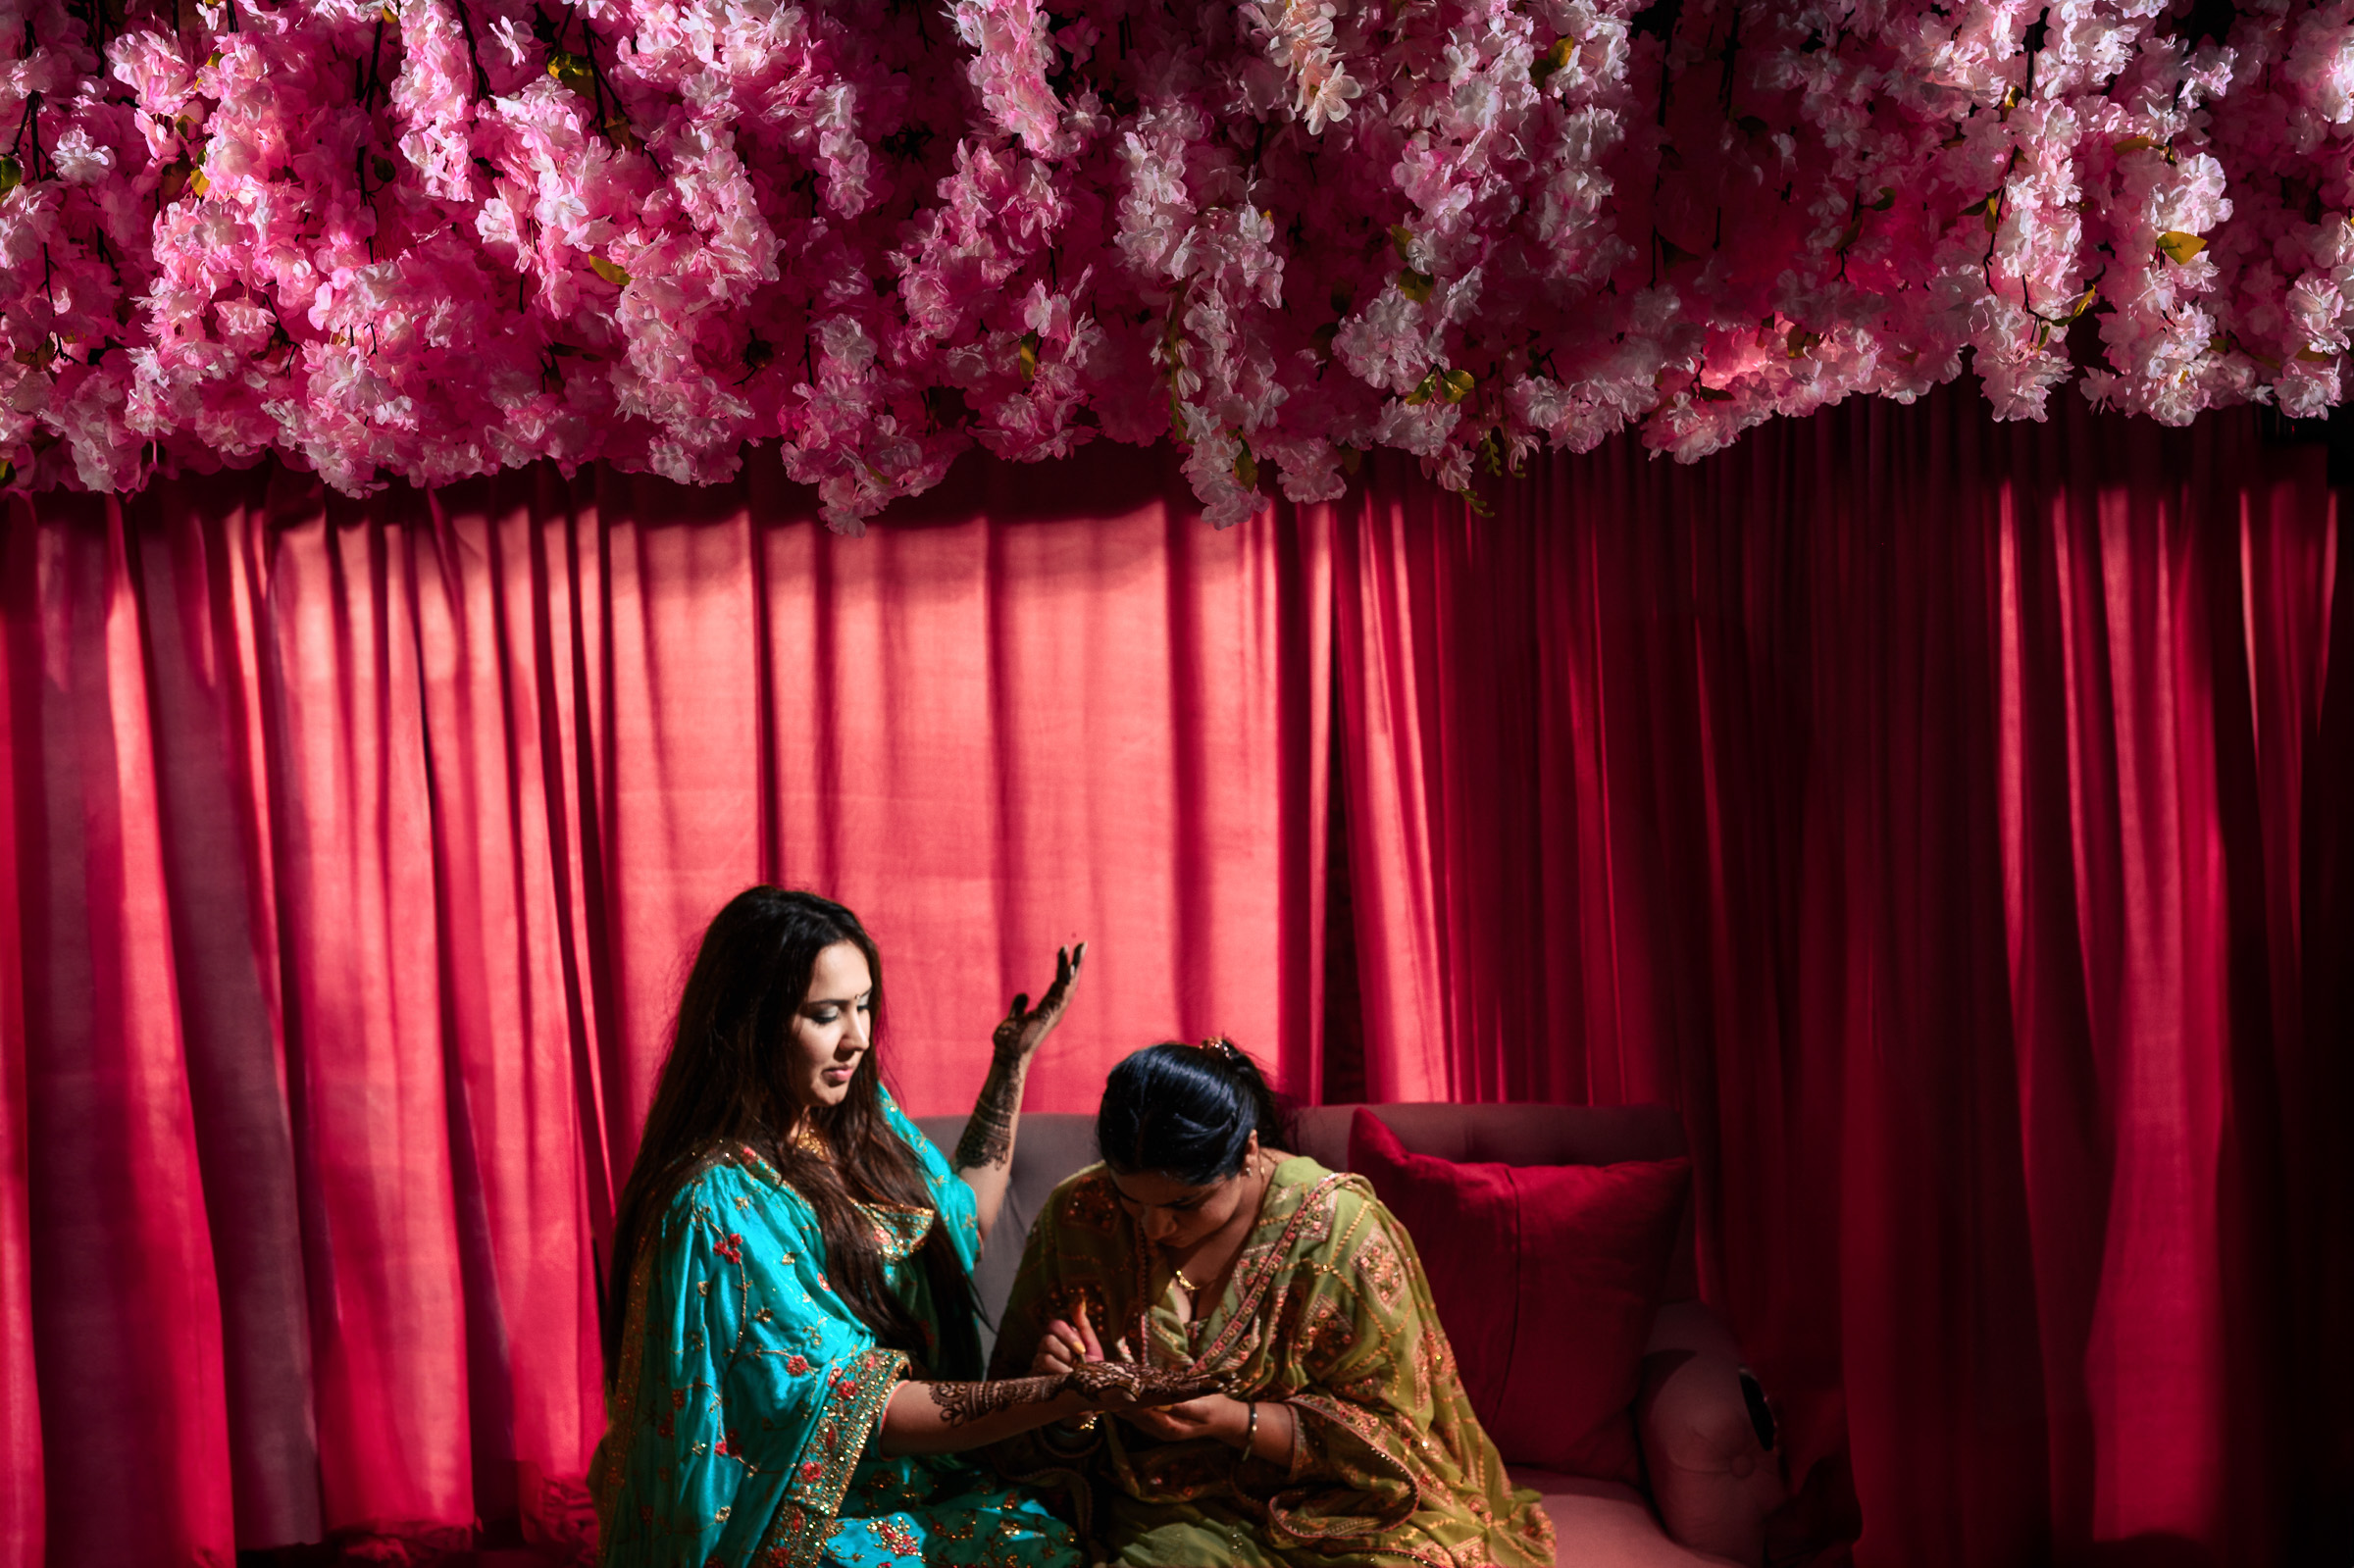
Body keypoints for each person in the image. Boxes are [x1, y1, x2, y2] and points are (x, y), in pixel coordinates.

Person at [589, 888, 1211, 1567]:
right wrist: (1055, 1393)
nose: (856, 1036)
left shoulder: (856, 1120)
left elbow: (964, 1213)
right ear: (752, 1021)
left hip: (928, 1479)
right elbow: (863, 1410)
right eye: (825, 1014)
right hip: (810, 1514)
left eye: (862, 1005)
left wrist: (1012, 1062)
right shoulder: (721, 1202)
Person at [988, 1039, 1554, 1568]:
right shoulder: (1083, 1215)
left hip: (1335, 1505)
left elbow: (1398, 1442)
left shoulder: (1340, 1235)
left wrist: (1235, 1421)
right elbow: (1016, 1434)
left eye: (1187, 1203)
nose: (1156, 1226)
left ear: (1249, 1151)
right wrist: (1064, 1394)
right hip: (1160, 1510)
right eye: (1130, 1199)